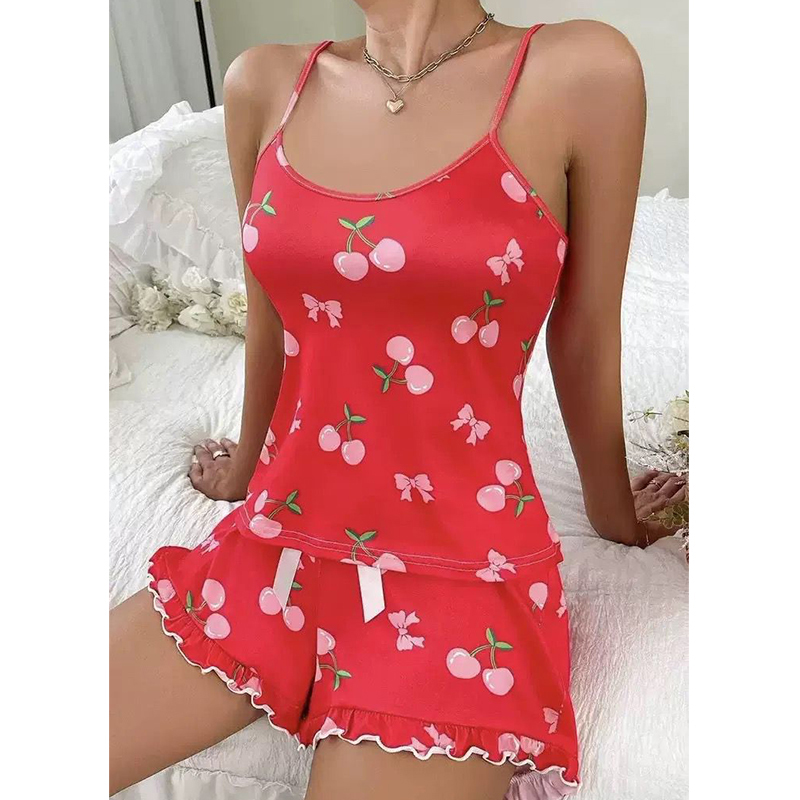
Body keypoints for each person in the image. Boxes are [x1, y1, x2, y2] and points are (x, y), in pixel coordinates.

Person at [110, 3, 677, 798]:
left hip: (462, 573)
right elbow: (273, 317)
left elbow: (583, 335)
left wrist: (617, 520)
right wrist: (244, 471)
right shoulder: (264, 83)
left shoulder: (580, 70)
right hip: (278, 539)